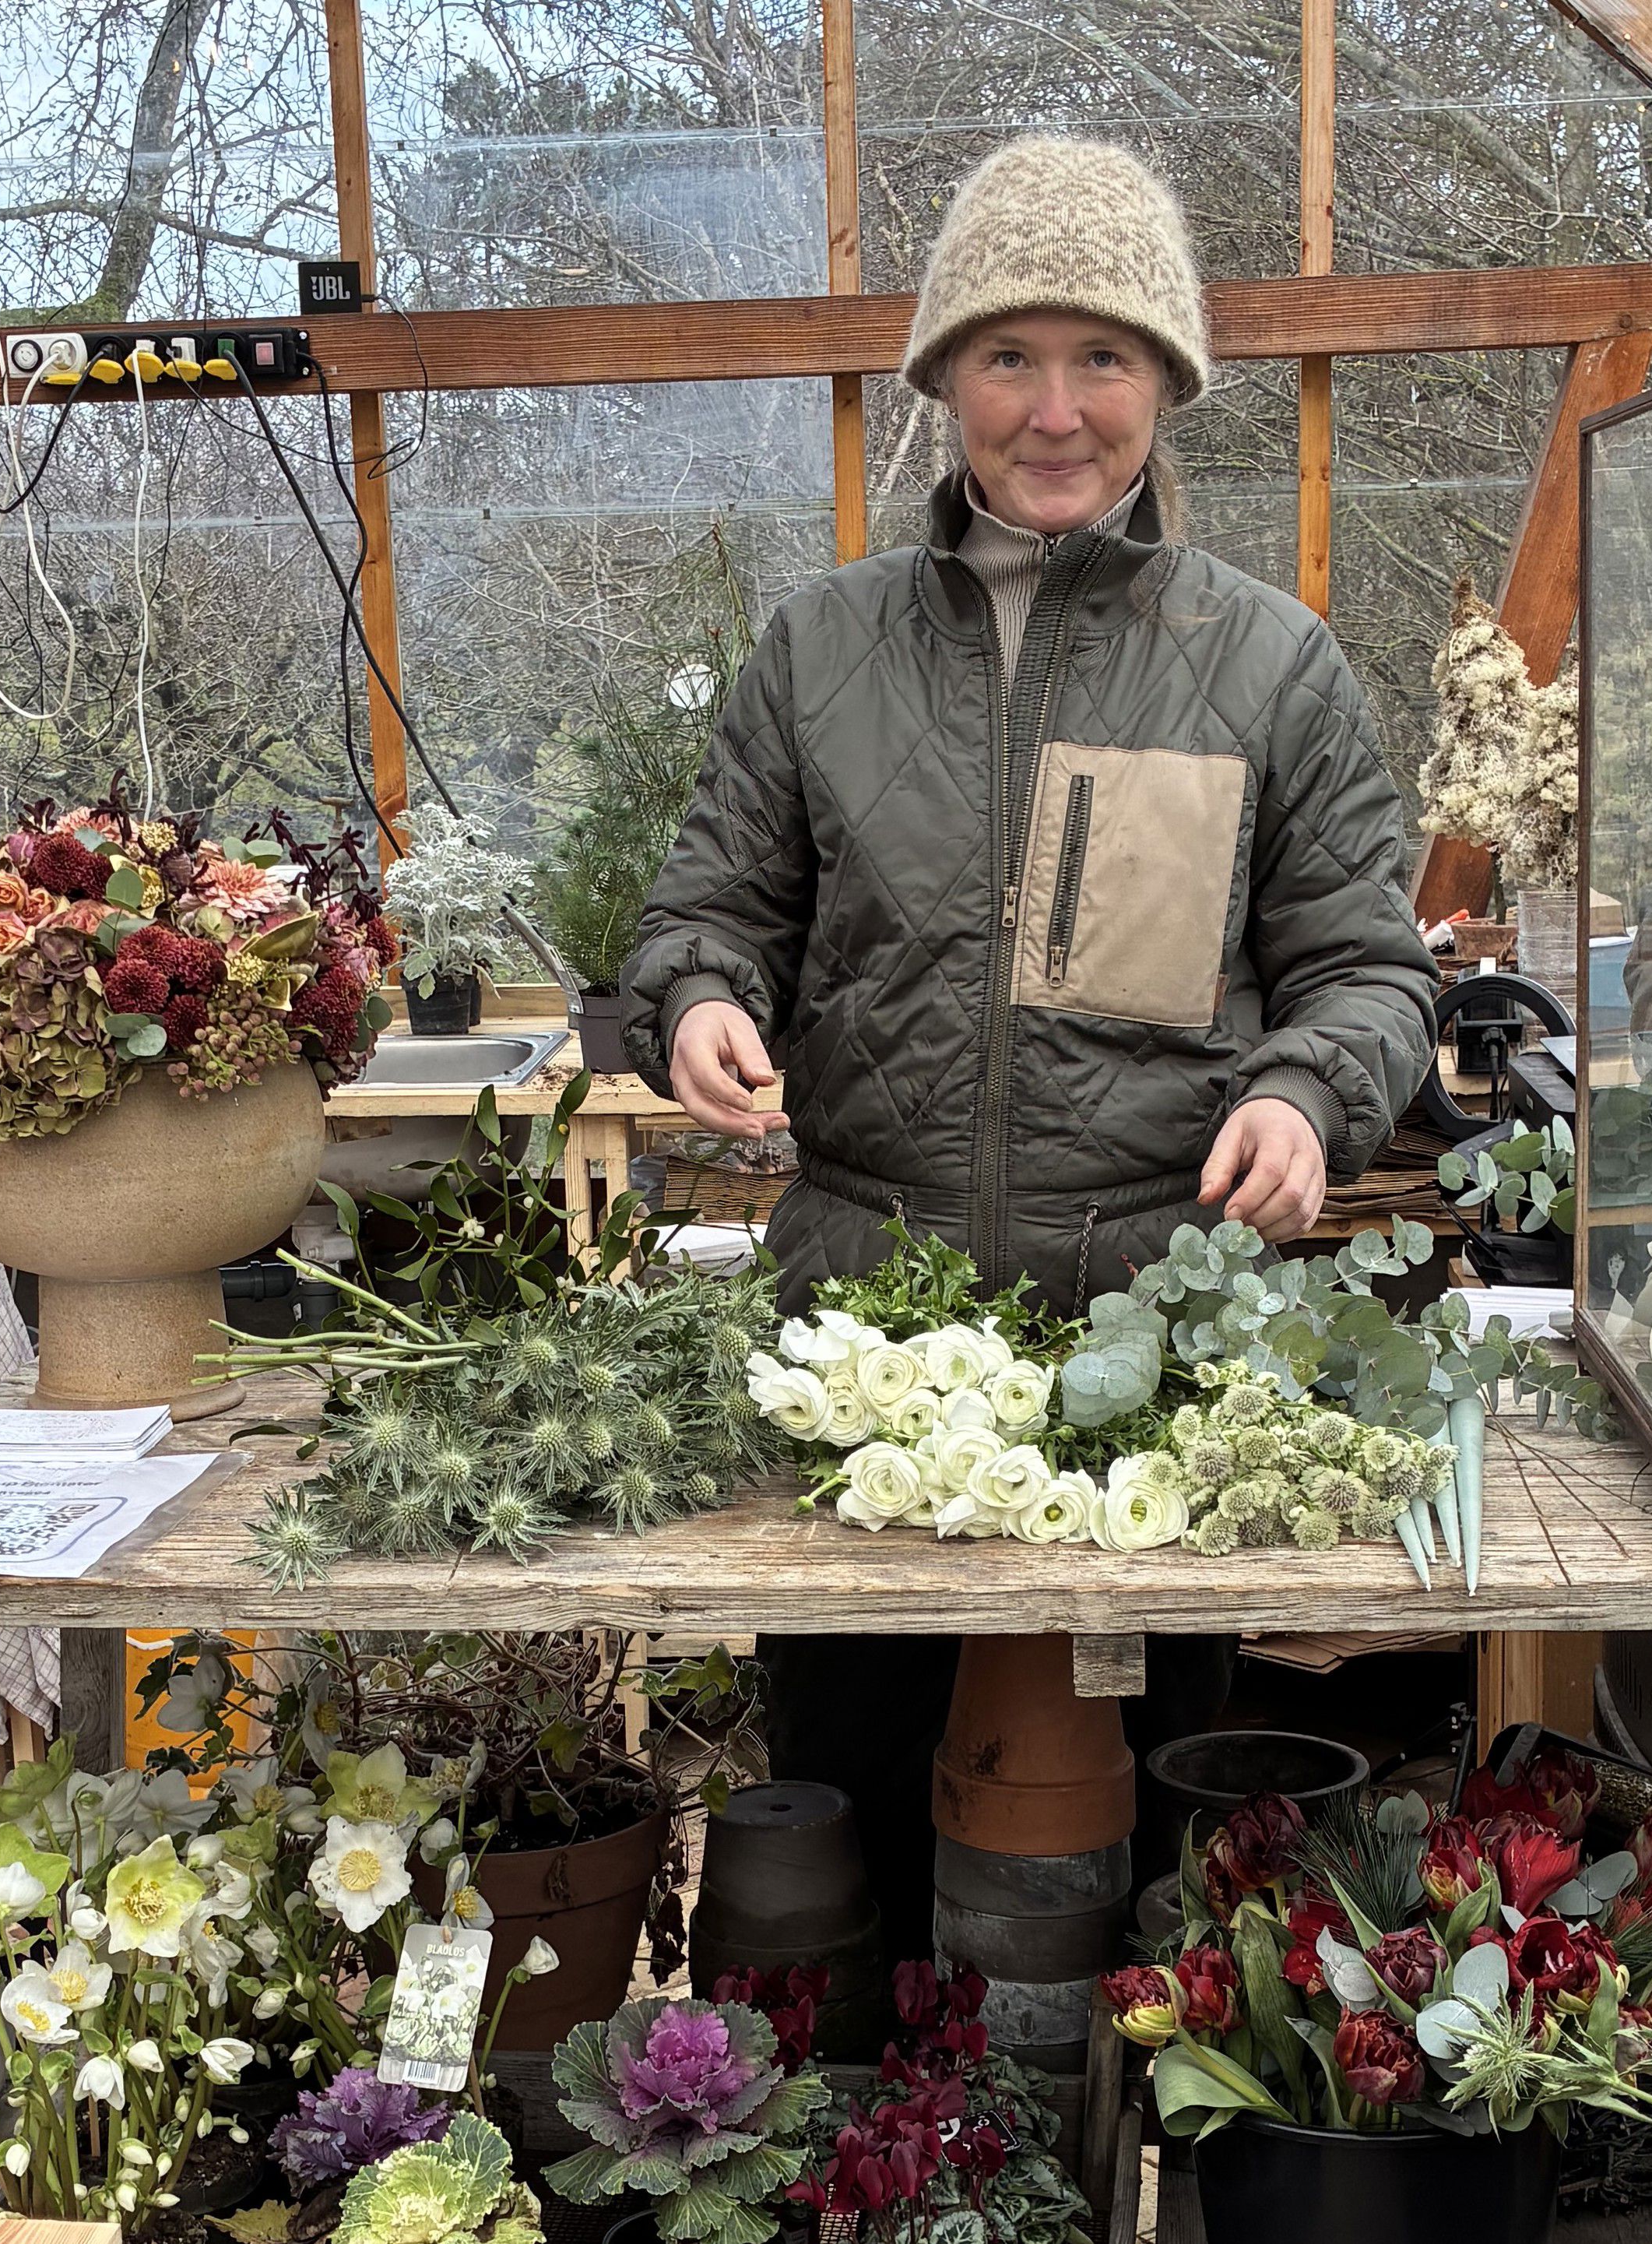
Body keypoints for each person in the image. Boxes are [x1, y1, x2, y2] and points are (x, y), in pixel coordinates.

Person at [621, 135, 1436, 1948]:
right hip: (860, 1344)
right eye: (1008, 356)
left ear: (1166, 385)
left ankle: (1107, 2104)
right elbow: (708, 909)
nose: (1055, 409)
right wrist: (701, 999)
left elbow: (1371, 975)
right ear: (944, 381)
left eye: (1103, 358)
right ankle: (872, 2102)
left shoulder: (1269, 665)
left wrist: (1310, 1094)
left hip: (1152, 1361)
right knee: (850, 1820)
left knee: (1134, 1859)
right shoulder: (820, 650)